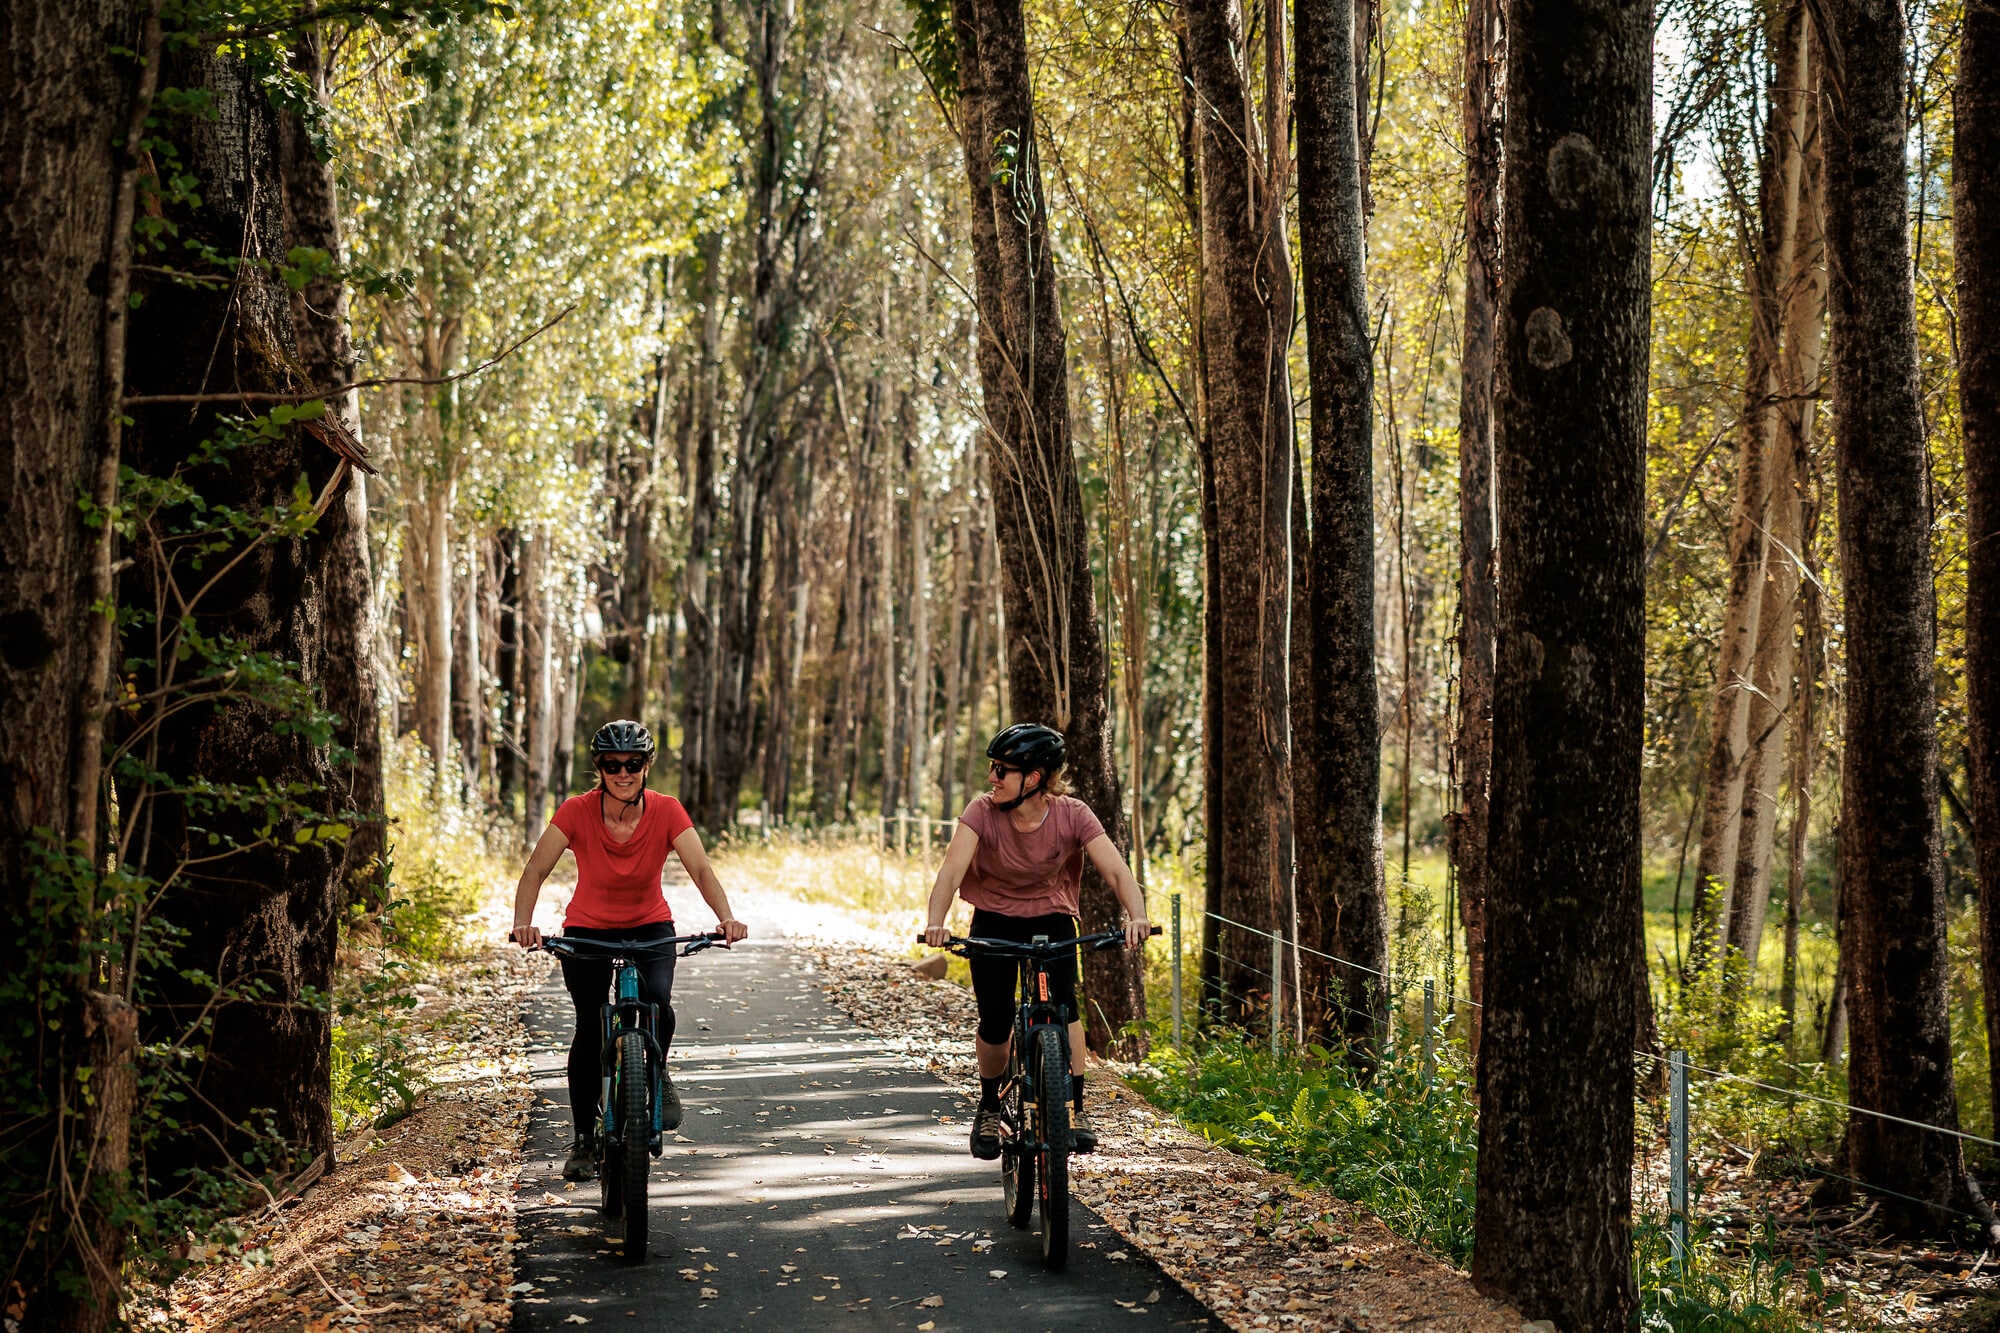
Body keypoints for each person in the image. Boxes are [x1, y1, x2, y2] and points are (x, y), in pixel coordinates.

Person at [511, 720, 749, 1181]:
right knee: (588, 1026)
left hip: (650, 927)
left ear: (647, 766)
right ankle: (582, 1138)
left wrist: (726, 916)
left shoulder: (667, 810)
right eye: (613, 765)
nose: (624, 773)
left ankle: (655, 1073)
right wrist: (524, 923)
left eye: (633, 764)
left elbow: (700, 868)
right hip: (587, 929)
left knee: (658, 1003)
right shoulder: (576, 812)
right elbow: (535, 870)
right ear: (599, 768)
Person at [923, 722, 1150, 1159]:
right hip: (994, 920)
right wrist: (937, 922)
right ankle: (990, 1106)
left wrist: (1137, 916)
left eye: (1001, 770)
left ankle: (1076, 1107)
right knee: (995, 1018)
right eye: (992, 768)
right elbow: (950, 873)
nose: (992, 778)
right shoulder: (981, 812)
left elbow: (1117, 872)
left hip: (1052, 917)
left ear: (1033, 778)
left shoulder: (1073, 814)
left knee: (1064, 1006)